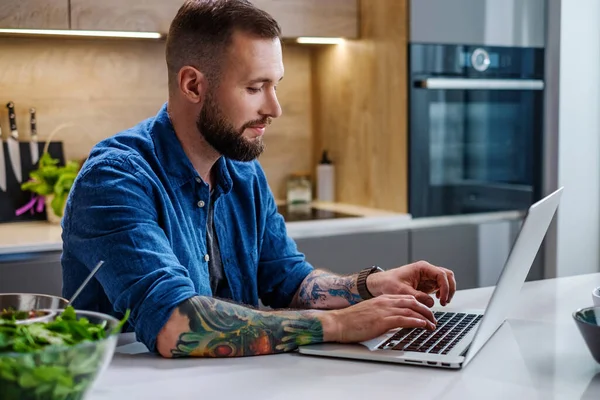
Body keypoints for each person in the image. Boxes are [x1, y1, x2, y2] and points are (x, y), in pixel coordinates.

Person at [61, 0, 456, 359]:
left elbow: (289, 281)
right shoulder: (114, 179)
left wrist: (369, 286)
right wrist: (339, 325)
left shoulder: (241, 169)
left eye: (275, 85)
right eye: (255, 88)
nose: (274, 108)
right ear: (193, 85)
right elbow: (174, 324)